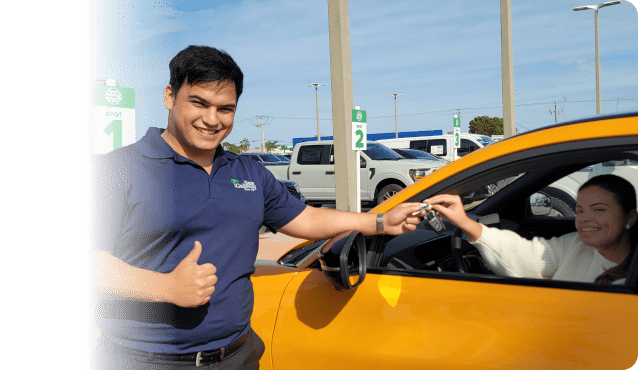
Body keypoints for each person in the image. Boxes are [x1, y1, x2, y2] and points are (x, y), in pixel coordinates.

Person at [91, 45, 427, 370]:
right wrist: (165, 288)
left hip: (237, 355)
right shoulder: (117, 169)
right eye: (199, 103)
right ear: (169, 96)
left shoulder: (248, 172)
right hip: (144, 359)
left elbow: (305, 218)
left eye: (226, 108)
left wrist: (380, 221)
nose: (212, 119)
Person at [425, 174, 637, 284]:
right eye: (579, 211)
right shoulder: (576, 244)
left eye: (599, 209)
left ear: (630, 217)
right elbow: (529, 257)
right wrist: (465, 222)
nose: (585, 219)